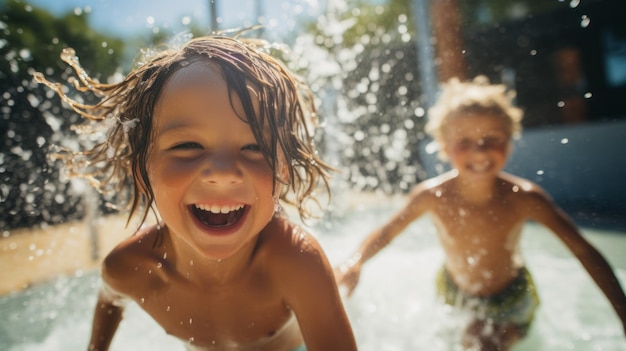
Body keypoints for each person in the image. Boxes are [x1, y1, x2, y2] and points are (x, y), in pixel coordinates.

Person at [34, 34, 357, 351]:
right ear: (143, 170)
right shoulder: (130, 267)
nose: (222, 173)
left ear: (283, 171)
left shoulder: (296, 264)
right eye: (188, 145)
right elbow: (109, 299)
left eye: (254, 146)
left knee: (345, 277)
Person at [336, 76, 626, 350]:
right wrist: (357, 261)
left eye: (492, 139)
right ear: (445, 146)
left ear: (510, 140)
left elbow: (584, 251)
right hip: (453, 290)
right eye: (464, 142)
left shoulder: (525, 198)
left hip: (510, 299)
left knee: (481, 344)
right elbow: (388, 231)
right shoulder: (432, 196)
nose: (479, 152)